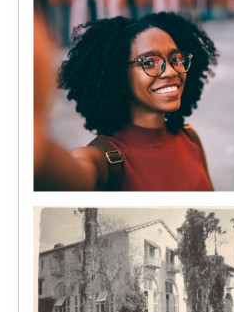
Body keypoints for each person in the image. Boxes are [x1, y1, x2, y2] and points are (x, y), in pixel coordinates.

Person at [35, 11, 218, 191]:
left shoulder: (190, 138)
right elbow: (59, 174)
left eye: (176, 58)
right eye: (149, 62)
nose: (171, 71)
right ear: (119, 76)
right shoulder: (101, 161)